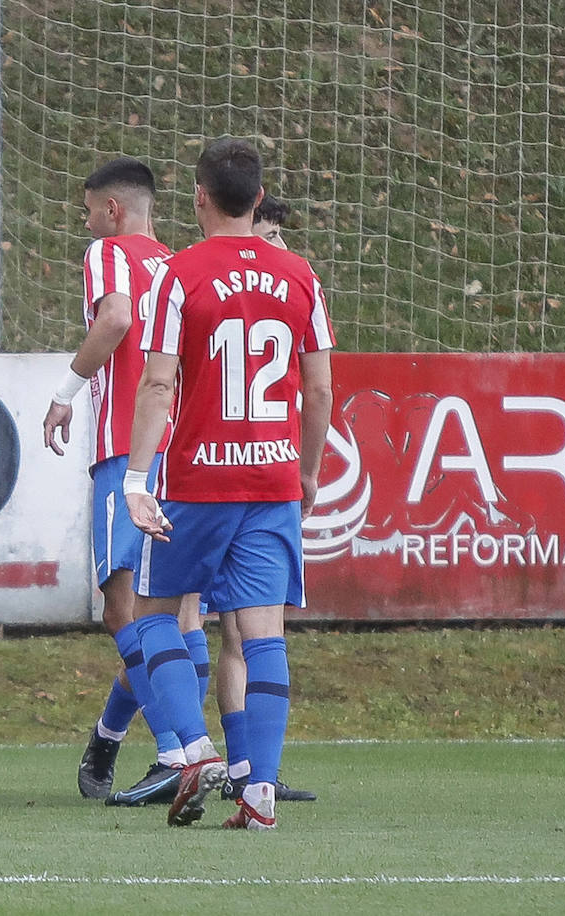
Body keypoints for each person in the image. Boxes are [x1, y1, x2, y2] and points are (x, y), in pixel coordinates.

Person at [122, 138, 334, 830]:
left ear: (201, 198)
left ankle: (195, 750)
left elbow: (157, 382)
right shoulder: (300, 274)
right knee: (263, 633)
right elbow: (319, 385)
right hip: (271, 477)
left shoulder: (176, 275)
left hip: (198, 479)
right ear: (260, 196)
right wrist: (306, 469)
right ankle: (261, 791)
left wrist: (134, 476)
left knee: (152, 614)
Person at [41, 157, 197, 807]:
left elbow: (114, 319)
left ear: (111, 210)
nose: (86, 222)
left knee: (121, 610)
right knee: (166, 618)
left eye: (86, 211)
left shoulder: (110, 252)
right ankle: (111, 735)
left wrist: (65, 391)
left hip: (125, 451)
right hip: (183, 451)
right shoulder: (184, 267)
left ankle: (175, 753)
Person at [211, 194, 317, 805]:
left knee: (251, 632)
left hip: (265, 475)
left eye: (280, 237)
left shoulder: (293, 289)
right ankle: (239, 762)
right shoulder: (220, 286)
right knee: (233, 633)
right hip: (215, 479)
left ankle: (252, 769)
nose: (274, 248)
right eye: (266, 234)